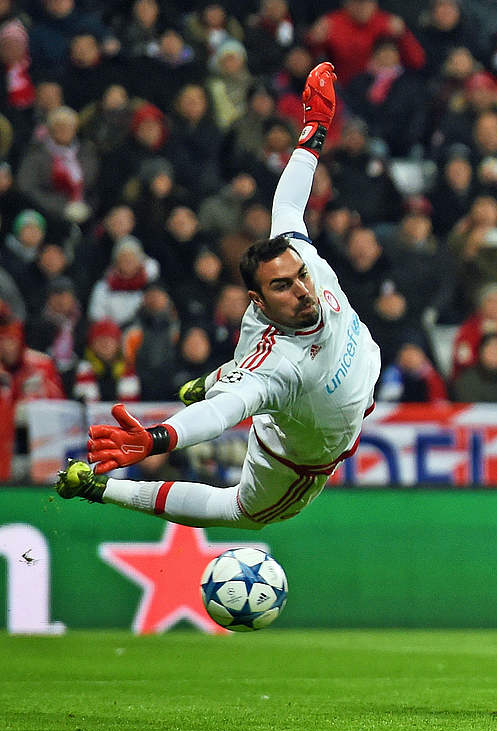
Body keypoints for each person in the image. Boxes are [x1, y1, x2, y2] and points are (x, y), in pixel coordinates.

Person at [55, 62, 382, 530]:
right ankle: (100, 488)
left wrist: (315, 128)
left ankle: (216, 376)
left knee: (242, 378)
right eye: (282, 286)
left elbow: (287, 204)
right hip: (301, 450)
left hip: (355, 377)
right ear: (259, 301)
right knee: (243, 515)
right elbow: (220, 416)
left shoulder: (303, 261)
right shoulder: (277, 369)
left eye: (299, 276)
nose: (302, 289)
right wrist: (159, 438)